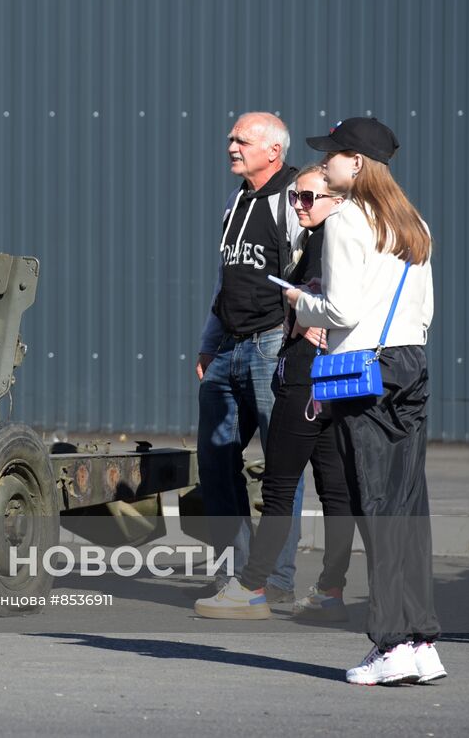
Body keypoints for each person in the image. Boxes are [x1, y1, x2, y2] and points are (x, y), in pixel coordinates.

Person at [287, 117, 442, 686]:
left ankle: (391, 644)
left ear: (356, 163)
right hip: (411, 362)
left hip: (364, 370)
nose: (324, 164)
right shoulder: (413, 221)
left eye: (332, 154)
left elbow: (343, 312)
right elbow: (423, 311)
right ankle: (422, 639)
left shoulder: (349, 218)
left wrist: (301, 305)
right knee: (408, 505)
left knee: (375, 504)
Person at [195, 165, 356, 621]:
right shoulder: (245, 204)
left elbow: (339, 304)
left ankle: (257, 584)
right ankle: (328, 589)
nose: (298, 204)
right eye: (296, 198)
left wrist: (305, 307)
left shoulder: (333, 236)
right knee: (331, 484)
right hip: (295, 360)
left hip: (299, 363)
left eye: (307, 197)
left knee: (284, 480)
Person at [195, 112, 306, 602]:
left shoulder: (293, 198)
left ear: (272, 151)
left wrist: (298, 338)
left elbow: (308, 276)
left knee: (281, 465)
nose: (231, 145)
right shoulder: (235, 201)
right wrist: (208, 340)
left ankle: (276, 578)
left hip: (270, 344)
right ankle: (238, 574)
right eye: (231, 137)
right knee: (217, 460)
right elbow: (225, 281)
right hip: (227, 349)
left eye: (242, 139)